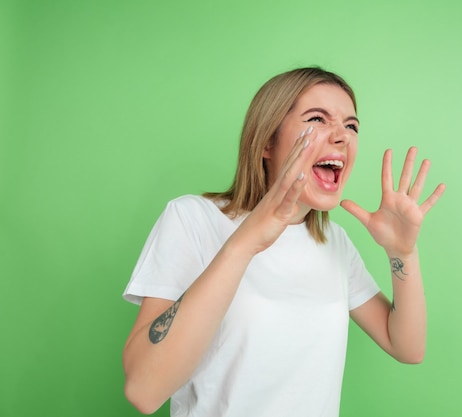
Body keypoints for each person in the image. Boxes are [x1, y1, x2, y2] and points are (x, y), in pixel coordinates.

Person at [122, 67, 445, 417]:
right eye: (318, 119)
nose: (342, 137)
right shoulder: (193, 219)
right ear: (266, 142)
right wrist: (246, 241)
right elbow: (144, 390)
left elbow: (407, 347)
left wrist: (403, 254)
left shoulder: (334, 243)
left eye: (351, 126)